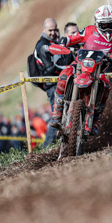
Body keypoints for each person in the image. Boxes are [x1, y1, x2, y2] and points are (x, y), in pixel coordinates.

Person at [50, 5, 112, 132]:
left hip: (101, 70)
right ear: (97, 23)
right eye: (104, 25)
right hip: (79, 65)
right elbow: (71, 38)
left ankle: (97, 119)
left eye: (111, 24)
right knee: (63, 76)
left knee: (106, 87)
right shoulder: (88, 30)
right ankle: (57, 112)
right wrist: (62, 43)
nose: (108, 28)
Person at [33, 18, 69, 146]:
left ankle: (63, 142)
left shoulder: (53, 42)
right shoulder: (43, 45)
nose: (53, 32)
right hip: (52, 85)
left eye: (55, 29)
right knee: (57, 116)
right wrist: (68, 68)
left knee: (64, 113)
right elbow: (49, 69)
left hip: (58, 83)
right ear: (43, 30)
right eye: (50, 30)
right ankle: (47, 146)